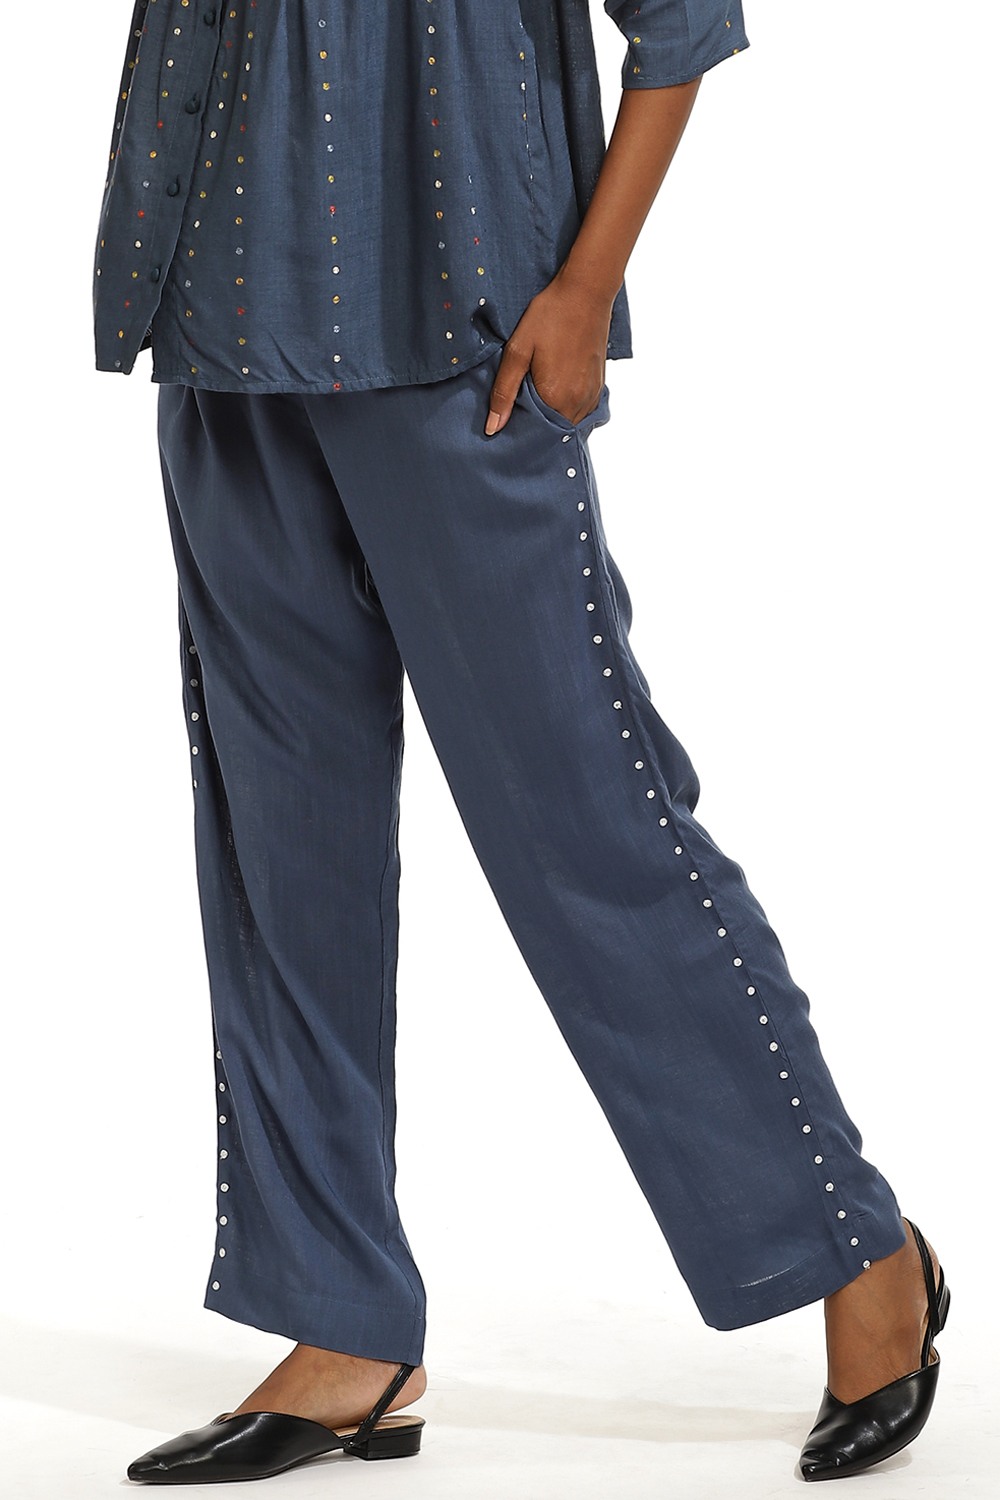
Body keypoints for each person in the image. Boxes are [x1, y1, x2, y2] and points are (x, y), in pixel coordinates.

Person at [92, 2, 948, 1486]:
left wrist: (588, 288)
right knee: (282, 862)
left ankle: (854, 1248)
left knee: (594, 834)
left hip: (469, 334)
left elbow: (685, 22)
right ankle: (343, 1324)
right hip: (223, 323)